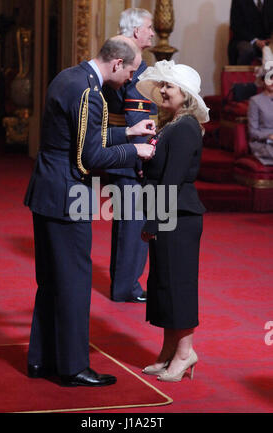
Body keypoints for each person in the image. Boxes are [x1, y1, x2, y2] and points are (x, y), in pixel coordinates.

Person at [24, 36, 156, 388]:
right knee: (73, 283)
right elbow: (89, 157)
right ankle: (71, 367)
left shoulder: (69, 76)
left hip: (47, 189)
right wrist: (136, 152)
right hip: (67, 196)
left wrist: (128, 131)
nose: (130, 78)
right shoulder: (90, 93)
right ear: (116, 64)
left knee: (50, 281)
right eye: (130, 71)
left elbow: (80, 137)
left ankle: (41, 359)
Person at [135, 60, 209, 382]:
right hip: (167, 214)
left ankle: (185, 353)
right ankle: (168, 351)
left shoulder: (187, 127)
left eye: (170, 86)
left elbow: (172, 180)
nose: (162, 90)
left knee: (178, 286)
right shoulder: (170, 123)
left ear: (187, 95)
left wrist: (153, 222)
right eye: (162, 85)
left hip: (178, 216)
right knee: (163, 284)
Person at [103, 8, 157, 303]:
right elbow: (136, 118)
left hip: (119, 149)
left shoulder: (117, 54)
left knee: (128, 220)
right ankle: (127, 287)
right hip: (130, 153)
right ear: (136, 31)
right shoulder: (135, 63)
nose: (152, 33)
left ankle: (125, 283)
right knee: (133, 222)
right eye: (149, 28)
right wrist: (143, 160)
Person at [228, 0, 273, 65]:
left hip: (266, 41)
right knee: (247, 50)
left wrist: (271, 39)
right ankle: (241, 74)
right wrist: (255, 41)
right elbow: (236, 26)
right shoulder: (238, 1)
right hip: (245, 40)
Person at [248, 67, 273, 165]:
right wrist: (269, 136)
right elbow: (252, 132)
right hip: (263, 143)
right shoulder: (255, 101)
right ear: (263, 81)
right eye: (269, 78)